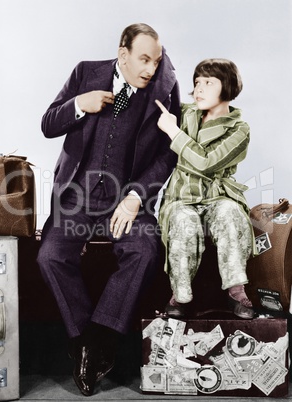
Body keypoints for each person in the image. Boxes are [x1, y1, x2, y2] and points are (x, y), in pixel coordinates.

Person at [37, 23, 180, 396]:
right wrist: (79, 105)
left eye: (157, 60)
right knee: (50, 256)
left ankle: (101, 337)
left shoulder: (165, 88)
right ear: (123, 55)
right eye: (144, 60)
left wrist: (135, 197)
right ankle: (84, 339)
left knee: (146, 250)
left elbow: (168, 154)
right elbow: (48, 123)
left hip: (126, 199)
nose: (152, 68)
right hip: (77, 197)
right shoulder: (85, 72)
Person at [155, 58, 257, 321]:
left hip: (218, 195)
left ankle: (236, 290)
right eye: (197, 82)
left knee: (230, 214)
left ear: (228, 86)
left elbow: (207, 162)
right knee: (182, 219)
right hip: (181, 197)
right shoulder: (184, 113)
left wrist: (174, 134)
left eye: (208, 82)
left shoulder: (239, 129)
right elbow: (153, 97)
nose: (199, 88)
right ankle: (180, 296)